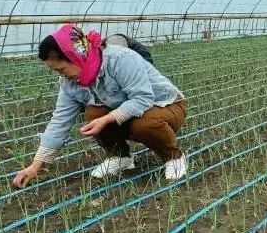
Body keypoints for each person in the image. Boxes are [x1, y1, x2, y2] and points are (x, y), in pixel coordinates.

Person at [13, 24, 188, 188]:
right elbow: (60, 121)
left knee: (144, 125)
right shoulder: (69, 83)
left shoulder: (119, 60)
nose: (61, 75)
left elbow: (142, 98)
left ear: (76, 57)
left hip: (165, 105)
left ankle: (173, 158)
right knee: (93, 114)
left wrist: (108, 118)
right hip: (128, 111)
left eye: (61, 69)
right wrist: (35, 166)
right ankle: (120, 158)